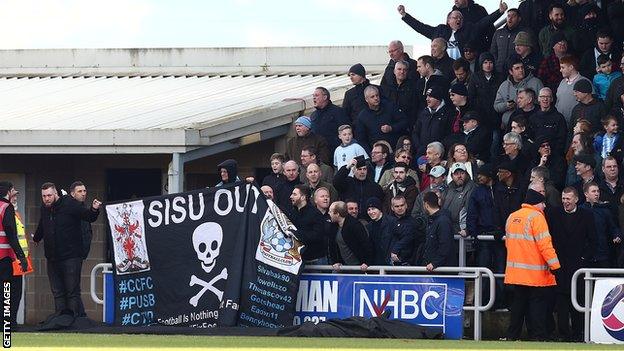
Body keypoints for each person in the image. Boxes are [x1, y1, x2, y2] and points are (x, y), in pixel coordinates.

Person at [33, 182, 101, 317]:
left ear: (56, 194)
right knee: (57, 291)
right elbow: (43, 224)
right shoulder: (45, 208)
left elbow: (88, 216)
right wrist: (37, 238)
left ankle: (74, 320)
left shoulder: (69, 204)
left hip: (71, 256)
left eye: (49, 195)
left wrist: (94, 209)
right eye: (44, 196)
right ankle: (61, 319)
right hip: (52, 256)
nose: (47, 198)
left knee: (72, 291)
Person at [504, 181, 560, 341]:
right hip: (535, 275)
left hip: (516, 273)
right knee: (537, 308)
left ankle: (511, 336)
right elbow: (545, 246)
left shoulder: (512, 217)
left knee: (518, 307)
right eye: (543, 203)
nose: (544, 206)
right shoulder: (537, 218)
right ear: (537, 203)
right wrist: (555, 266)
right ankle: (538, 337)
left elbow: (508, 243)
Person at [546, 187, 594, 342]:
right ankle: (563, 334)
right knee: (561, 301)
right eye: (563, 198)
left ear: (576, 199)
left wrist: (583, 259)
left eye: (568, 199)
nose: (565, 202)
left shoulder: (587, 215)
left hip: (578, 266)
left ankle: (578, 333)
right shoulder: (554, 214)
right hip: (559, 266)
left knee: (578, 300)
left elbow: (593, 240)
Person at [398, 2, 508, 59]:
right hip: (444, 67)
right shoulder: (440, 30)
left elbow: (484, 22)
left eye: (461, 18)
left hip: (464, 67)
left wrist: (499, 12)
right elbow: (420, 27)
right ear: (448, 20)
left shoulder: (469, 29)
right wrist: (405, 15)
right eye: (456, 17)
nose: (459, 19)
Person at [467, 164, 506, 308]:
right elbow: (472, 213)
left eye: (481, 174)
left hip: (500, 238)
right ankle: (482, 301)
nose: (478, 177)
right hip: (484, 237)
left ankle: (501, 301)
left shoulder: (500, 190)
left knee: (500, 271)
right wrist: (474, 234)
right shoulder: (477, 192)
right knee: (483, 271)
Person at [0, 182, 28, 326]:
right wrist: (21, 256)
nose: (15, 195)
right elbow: (11, 233)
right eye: (13, 192)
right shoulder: (7, 208)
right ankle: (8, 323)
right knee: (8, 292)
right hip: (6, 258)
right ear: (9, 192)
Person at [494, 56, 544, 131]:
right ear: (511, 72)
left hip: (531, 126)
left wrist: (528, 102)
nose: (521, 70)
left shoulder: (536, 83)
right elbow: (496, 106)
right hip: (509, 126)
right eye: (517, 68)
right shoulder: (504, 85)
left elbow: (543, 103)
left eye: (522, 67)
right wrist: (506, 105)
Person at [355, 85, 408, 151]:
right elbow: (361, 139)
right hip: (376, 152)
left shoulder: (390, 106)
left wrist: (391, 128)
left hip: (396, 148)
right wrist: (371, 153)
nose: (376, 98)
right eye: (372, 97)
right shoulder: (362, 116)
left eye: (377, 95)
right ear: (366, 99)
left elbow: (404, 122)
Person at [581, 182, 622, 267]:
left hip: (602, 255)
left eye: (598, 191)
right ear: (586, 194)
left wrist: (617, 235)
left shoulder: (605, 210)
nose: (596, 194)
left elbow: (613, 227)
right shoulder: (580, 210)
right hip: (586, 255)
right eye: (593, 191)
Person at [328, 201, 373, 272]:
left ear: (337, 214)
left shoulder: (355, 225)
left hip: (359, 266)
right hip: (342, 266)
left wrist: (367, 262)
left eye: (330, 211)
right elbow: (332, 245)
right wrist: (335, 261)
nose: (328, 213)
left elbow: (366, 244)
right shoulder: (333, 226)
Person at [289, 185, 327, 265]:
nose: (291, 196)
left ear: (303, 197)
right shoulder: (293, 213)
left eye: (294, 194)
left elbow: (317, 235)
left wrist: (297, 234)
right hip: (299, 260)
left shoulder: (315, 214)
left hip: (315, 259)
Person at [412, 85, 453, 157]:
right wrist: (419, 146)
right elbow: (415, 132)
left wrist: (438, 148)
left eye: (430, 97)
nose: (427, 99)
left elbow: (449, 135)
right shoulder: (423, 112)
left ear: (438, 98)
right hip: (422, 153)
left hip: (439, 155)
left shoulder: (448, 113)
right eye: (427, 96)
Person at [421, 191, 455, 270]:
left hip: (442, 270)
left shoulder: (442, 221)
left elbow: (445, 245)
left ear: (426, 205)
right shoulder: (433, 220)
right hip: (435, 268)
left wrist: (435, 263)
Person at [529, 88, 568, 156]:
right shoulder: (533, 118)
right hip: (536, 155)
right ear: (538, 99)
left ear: (552, 99)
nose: (545, 99)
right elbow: (531, 138)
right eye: (542, 97)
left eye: (548, 97)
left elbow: (562, 139)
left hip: (555, 156)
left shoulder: (559, 118)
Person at [556, 55, 593, 124]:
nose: (560, 70)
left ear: (571, 67)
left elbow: (591, 103)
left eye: (563, 67)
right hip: (560, 124)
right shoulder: (562, 82)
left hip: (578, 126)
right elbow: (558, 101)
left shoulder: (584, 82)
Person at [310, 87, 349, 151]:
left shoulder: (338, 112)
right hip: (319, 153)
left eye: (316, 95)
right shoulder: (313, 115)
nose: (314, 98)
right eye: (313, 96)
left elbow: (345, 131)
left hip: (335, 151)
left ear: (325, 97)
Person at [382, 60, 419, 125]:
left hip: (407, 125)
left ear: (407, 72)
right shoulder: (387, 86)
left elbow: (415, 109)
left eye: (405, 70)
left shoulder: (413, 87)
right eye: (399, 69)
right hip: (389, 124)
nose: (402, 72)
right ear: (394, 71)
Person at [491, 8, 524, 74]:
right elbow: (493, 51)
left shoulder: (524, 33)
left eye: (513, 16)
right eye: (508, 16)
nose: (510, 18)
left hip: (516, 72)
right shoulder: (498, 33)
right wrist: (497, 63)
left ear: (519, 18)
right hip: (499, 71)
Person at [388, 195, 419, 266]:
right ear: (392, 208)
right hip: (389, 263)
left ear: (406, 205)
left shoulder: (413, 222)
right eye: (397, 206)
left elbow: (414, 242)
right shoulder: (387, 221)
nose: (400, 208)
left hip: (408, 263)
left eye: (402, 205)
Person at [366, 197, 396, 266]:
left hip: (390, 264)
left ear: (379, 209)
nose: (371, 212)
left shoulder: (391, 222)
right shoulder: (369, 226)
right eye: (368, 210)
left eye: (373, 209)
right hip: (375, 265)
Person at [70, 181, 93, 261]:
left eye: (84, 191)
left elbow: (86, 231)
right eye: (80, 191)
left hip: (81, 252)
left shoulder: (84, 208)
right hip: (71, 253)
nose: (83, 194)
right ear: (73, 194)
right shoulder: (69, 208)